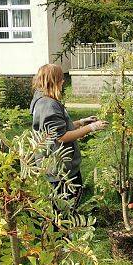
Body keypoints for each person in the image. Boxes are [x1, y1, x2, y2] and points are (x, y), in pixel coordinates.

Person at [30, 64, 108, 208]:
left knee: (69, 205)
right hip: (59, 169)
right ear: (53, 81)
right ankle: (67, 228)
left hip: (62, 167)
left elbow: (58, 126)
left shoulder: (44, 99)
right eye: (61, 78)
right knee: (65, 207)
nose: (64, 81)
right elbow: (61, 136)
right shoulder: (48, 105)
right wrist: (91, 127)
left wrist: (81, 122)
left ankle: (68, 226)